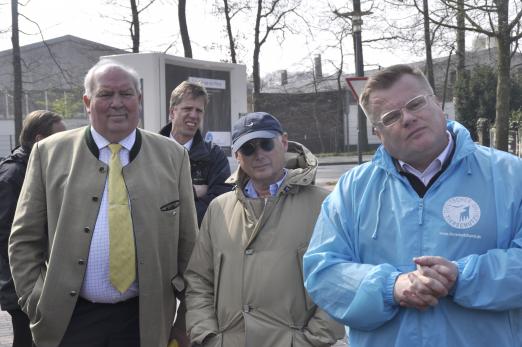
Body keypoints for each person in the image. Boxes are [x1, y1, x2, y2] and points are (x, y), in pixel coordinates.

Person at [303, 64, 522, 347]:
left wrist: (462, 277)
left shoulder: (511, 175)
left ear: (439, 104)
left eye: (416, 103)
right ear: (378, 133)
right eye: (391, 116)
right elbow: (322, 272)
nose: (408, 118)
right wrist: (390, 287)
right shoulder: (352, 190)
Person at [8, 60, 198, 347]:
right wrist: (36, 300)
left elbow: (189, 248)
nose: (117, 103)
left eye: (126, 94)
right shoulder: (48, 153)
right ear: (87, 101)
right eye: (106, 94)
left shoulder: (173, 156)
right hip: (69, 322)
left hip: (145, 323)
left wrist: (183, 319)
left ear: (139, 99)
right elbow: (23, 239)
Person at [185, 112, 344, 346]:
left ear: (284, 142)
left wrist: (309, 342)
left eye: (266, 144)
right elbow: (198, 280)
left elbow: (339, 282)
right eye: (248, 149)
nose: (258, 155)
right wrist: (208, 337)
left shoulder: (324, 205)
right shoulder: (219, 209)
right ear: (236, 156)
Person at [0, 110, 66, 347]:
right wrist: (28, 284)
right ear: (40, 139)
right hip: (19, 282)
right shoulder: (14, 174)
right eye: (60, 137)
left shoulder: (36, 167)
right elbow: (7, 235)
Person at [160, 81, 232, 226]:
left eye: (199, 110)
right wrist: (192, 192)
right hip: (157, 242)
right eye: (187, 108)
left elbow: (220, 203)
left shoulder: (214, 156)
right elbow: (145, 198)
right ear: (172, 112)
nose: (194, 115)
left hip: (198, 243)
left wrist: (173, 214)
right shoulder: (150, 151)